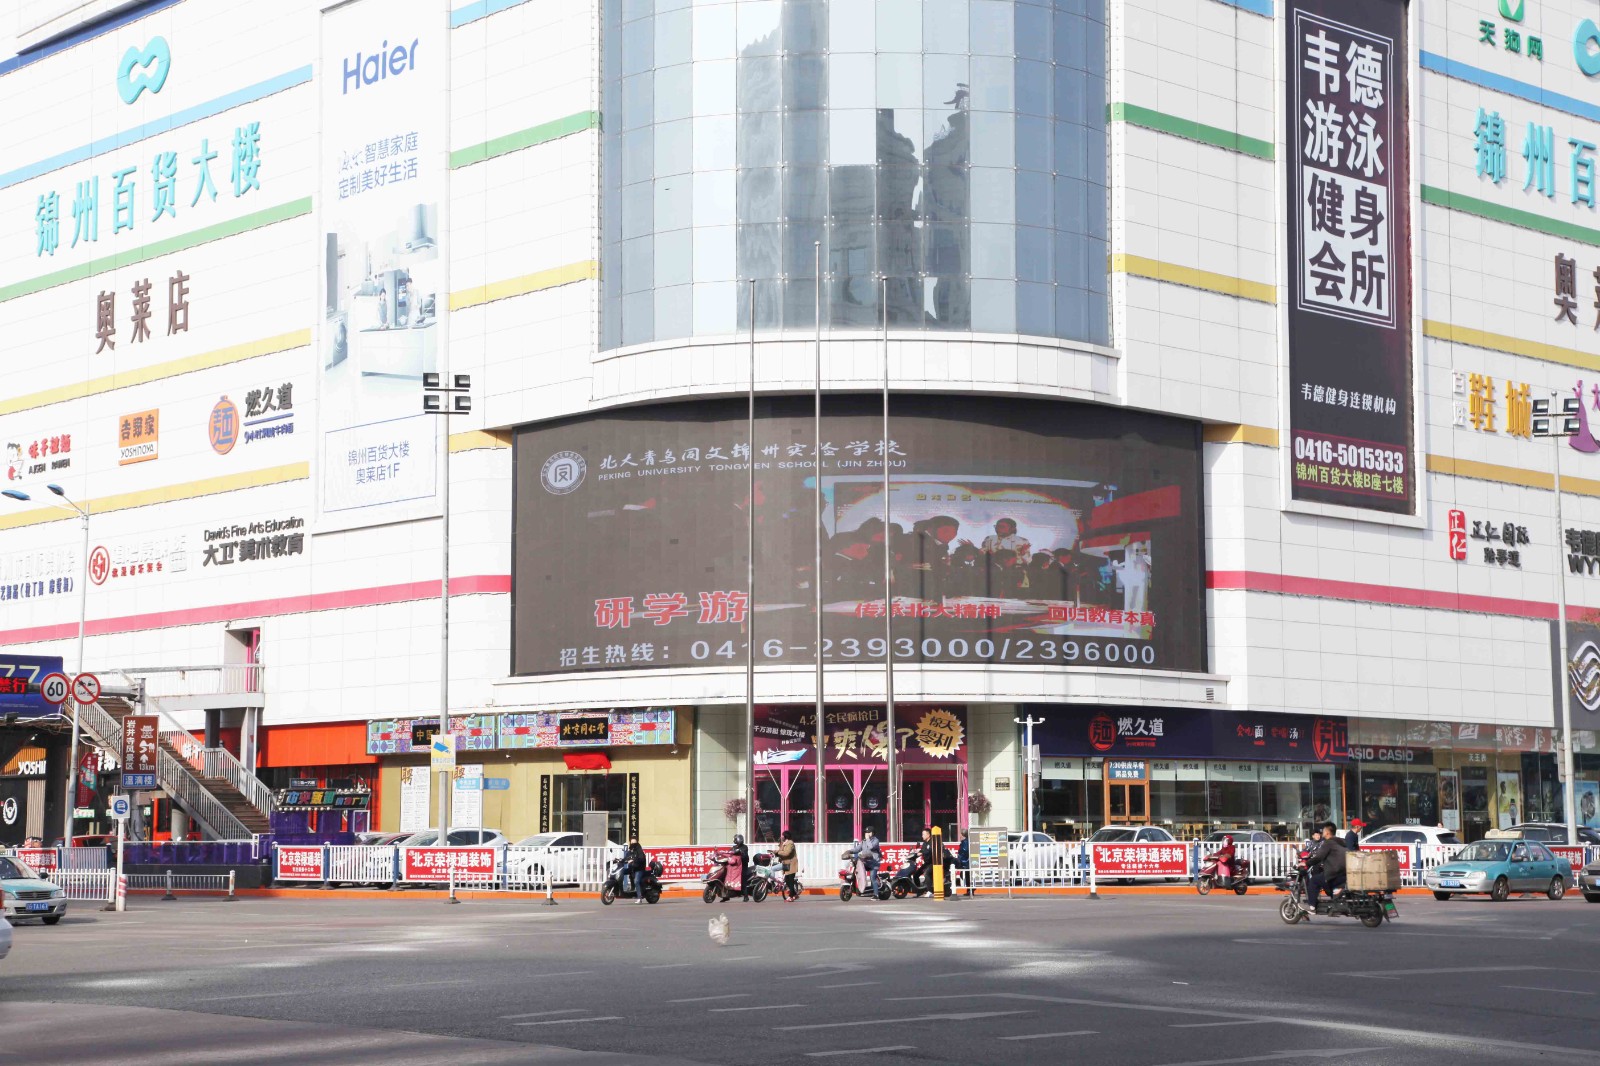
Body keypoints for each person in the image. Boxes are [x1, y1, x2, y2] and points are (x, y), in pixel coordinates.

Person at [1302, 821, 1347, 916]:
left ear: (1327, 832)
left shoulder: (1328, 843)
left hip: (1334, 874)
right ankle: (1334, 901)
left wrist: (1306, 863)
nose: (1322, 833)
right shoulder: (1341, 842)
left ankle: (1312, 906)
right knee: (1323, 879)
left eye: (1323, 831)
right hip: (1344, 874)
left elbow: (1319, 857)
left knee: (1314, 881)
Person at [775, 828, 799, 902]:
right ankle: (795, 894)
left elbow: (786, 853)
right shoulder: (785, 843)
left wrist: (778, 852)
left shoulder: (790, 843)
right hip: (786, 864)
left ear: (786, 836)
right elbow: (780, 851)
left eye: (783, 836)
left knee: (790, 881)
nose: (781, 837)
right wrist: (779, 846)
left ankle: (791, 896)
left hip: (791, 864)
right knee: (787, 881)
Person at [624, 836, 648, 903]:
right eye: (631, 843)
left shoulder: (639, 850)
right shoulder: (630, 850)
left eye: (634, 843)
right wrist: (619, 860)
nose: (633, 844)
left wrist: (633, 860)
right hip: (632, 868)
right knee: (622, 872)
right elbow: (626, 857)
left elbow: (641, 859)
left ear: (637, 842)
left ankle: (639, 898)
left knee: (636, 881)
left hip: (639, 869)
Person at [860, 827, 883, 898]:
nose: (866, 834)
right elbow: (858, 848)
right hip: (866, 862)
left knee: (872, 877)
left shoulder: (876, 840)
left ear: (872, 833)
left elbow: (871, 847)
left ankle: (876, 894)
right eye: (866, 832)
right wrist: (850, 851)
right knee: (857, 870)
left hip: (874, 862)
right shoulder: (864, 841)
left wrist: (867, 839)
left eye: (868, 832)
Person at [729, 833, 750, 899]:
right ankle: (726, 896)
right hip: (735, 866)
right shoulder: (734, 847)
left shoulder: (744, 847)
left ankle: (746, 896)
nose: (735, 841)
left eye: (736, 839)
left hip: (743, 865)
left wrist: (740, 852)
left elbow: (744, 854)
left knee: (742, 879)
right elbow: (729, 853)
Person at [955, 829, 972, 896]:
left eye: (960, 834)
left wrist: (960, 857)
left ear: (962, 835)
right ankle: (970, 889)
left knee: (965, 875)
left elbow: (965, 851)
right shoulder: (964, 842)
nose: (959, 835)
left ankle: (971, 889)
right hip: (964, 861)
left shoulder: (965, 842)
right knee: (965, 875)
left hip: (965, 861)